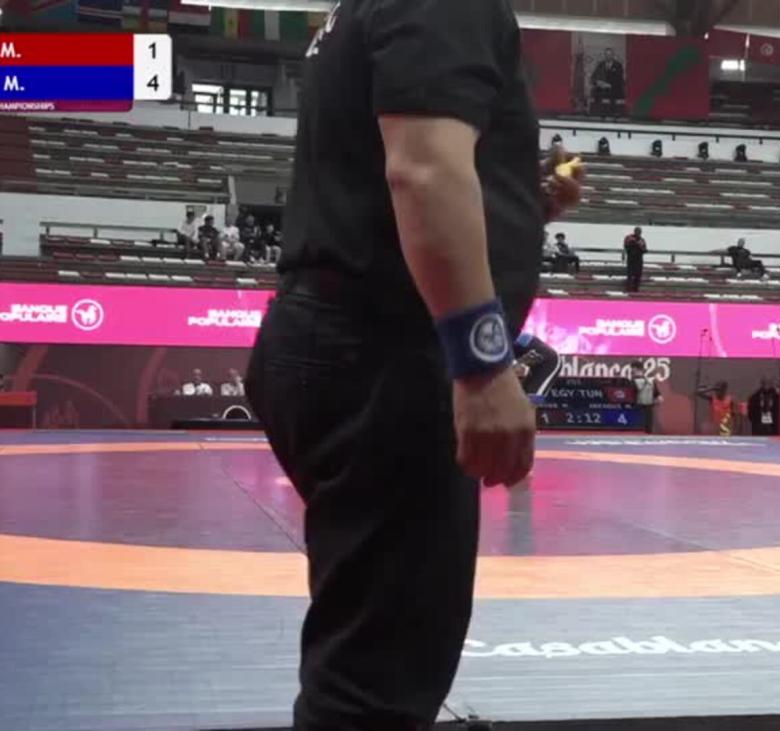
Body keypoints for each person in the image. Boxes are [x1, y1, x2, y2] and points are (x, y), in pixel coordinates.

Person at [244, 2, 582, 728]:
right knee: (376, 686)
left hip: (343, 333)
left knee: (371, 640)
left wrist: (520, 205)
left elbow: (385, 175)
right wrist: (483, 366)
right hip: (385, 348)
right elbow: (423, 173)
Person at [512, 332, 561, 400]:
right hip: (530, 359)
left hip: (548, 362)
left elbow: (515, 369)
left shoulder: (506, 339)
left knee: (531, 400)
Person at [631, 362, 661, 434]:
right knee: (647, 431)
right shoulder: (651, 381)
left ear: (635, 369)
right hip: (648, 410)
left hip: (636, 410)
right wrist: (653, 401)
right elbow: (659, 398)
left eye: (632, 369)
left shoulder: (631, 382)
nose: (631, 371)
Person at [624, 226, 646, 292]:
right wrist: (634, 244)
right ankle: (629, 289)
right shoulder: (629, 238)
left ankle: (636, 289)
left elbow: (645, 250)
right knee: (630, 275)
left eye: (639, 232)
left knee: (638, 275)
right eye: (637, 231)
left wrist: (640, 246)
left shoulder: (642, 240)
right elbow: (626, 247)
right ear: (634, 231)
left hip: (639, 260)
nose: (638, 233)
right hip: (631, 260)